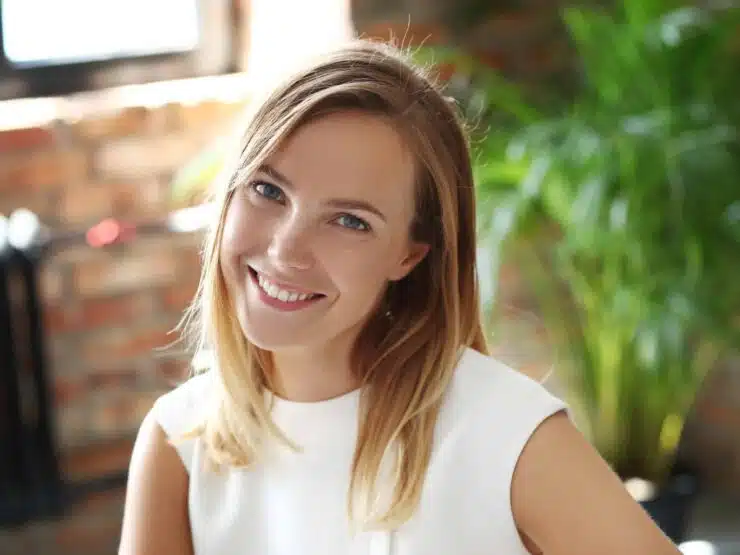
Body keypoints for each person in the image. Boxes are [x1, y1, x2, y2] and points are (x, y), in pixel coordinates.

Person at [119, 40, 681, 555]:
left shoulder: (504, 433)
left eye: (348, 220)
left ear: (409, 256)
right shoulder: (178, 442)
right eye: (268, 190)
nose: (286, 249)